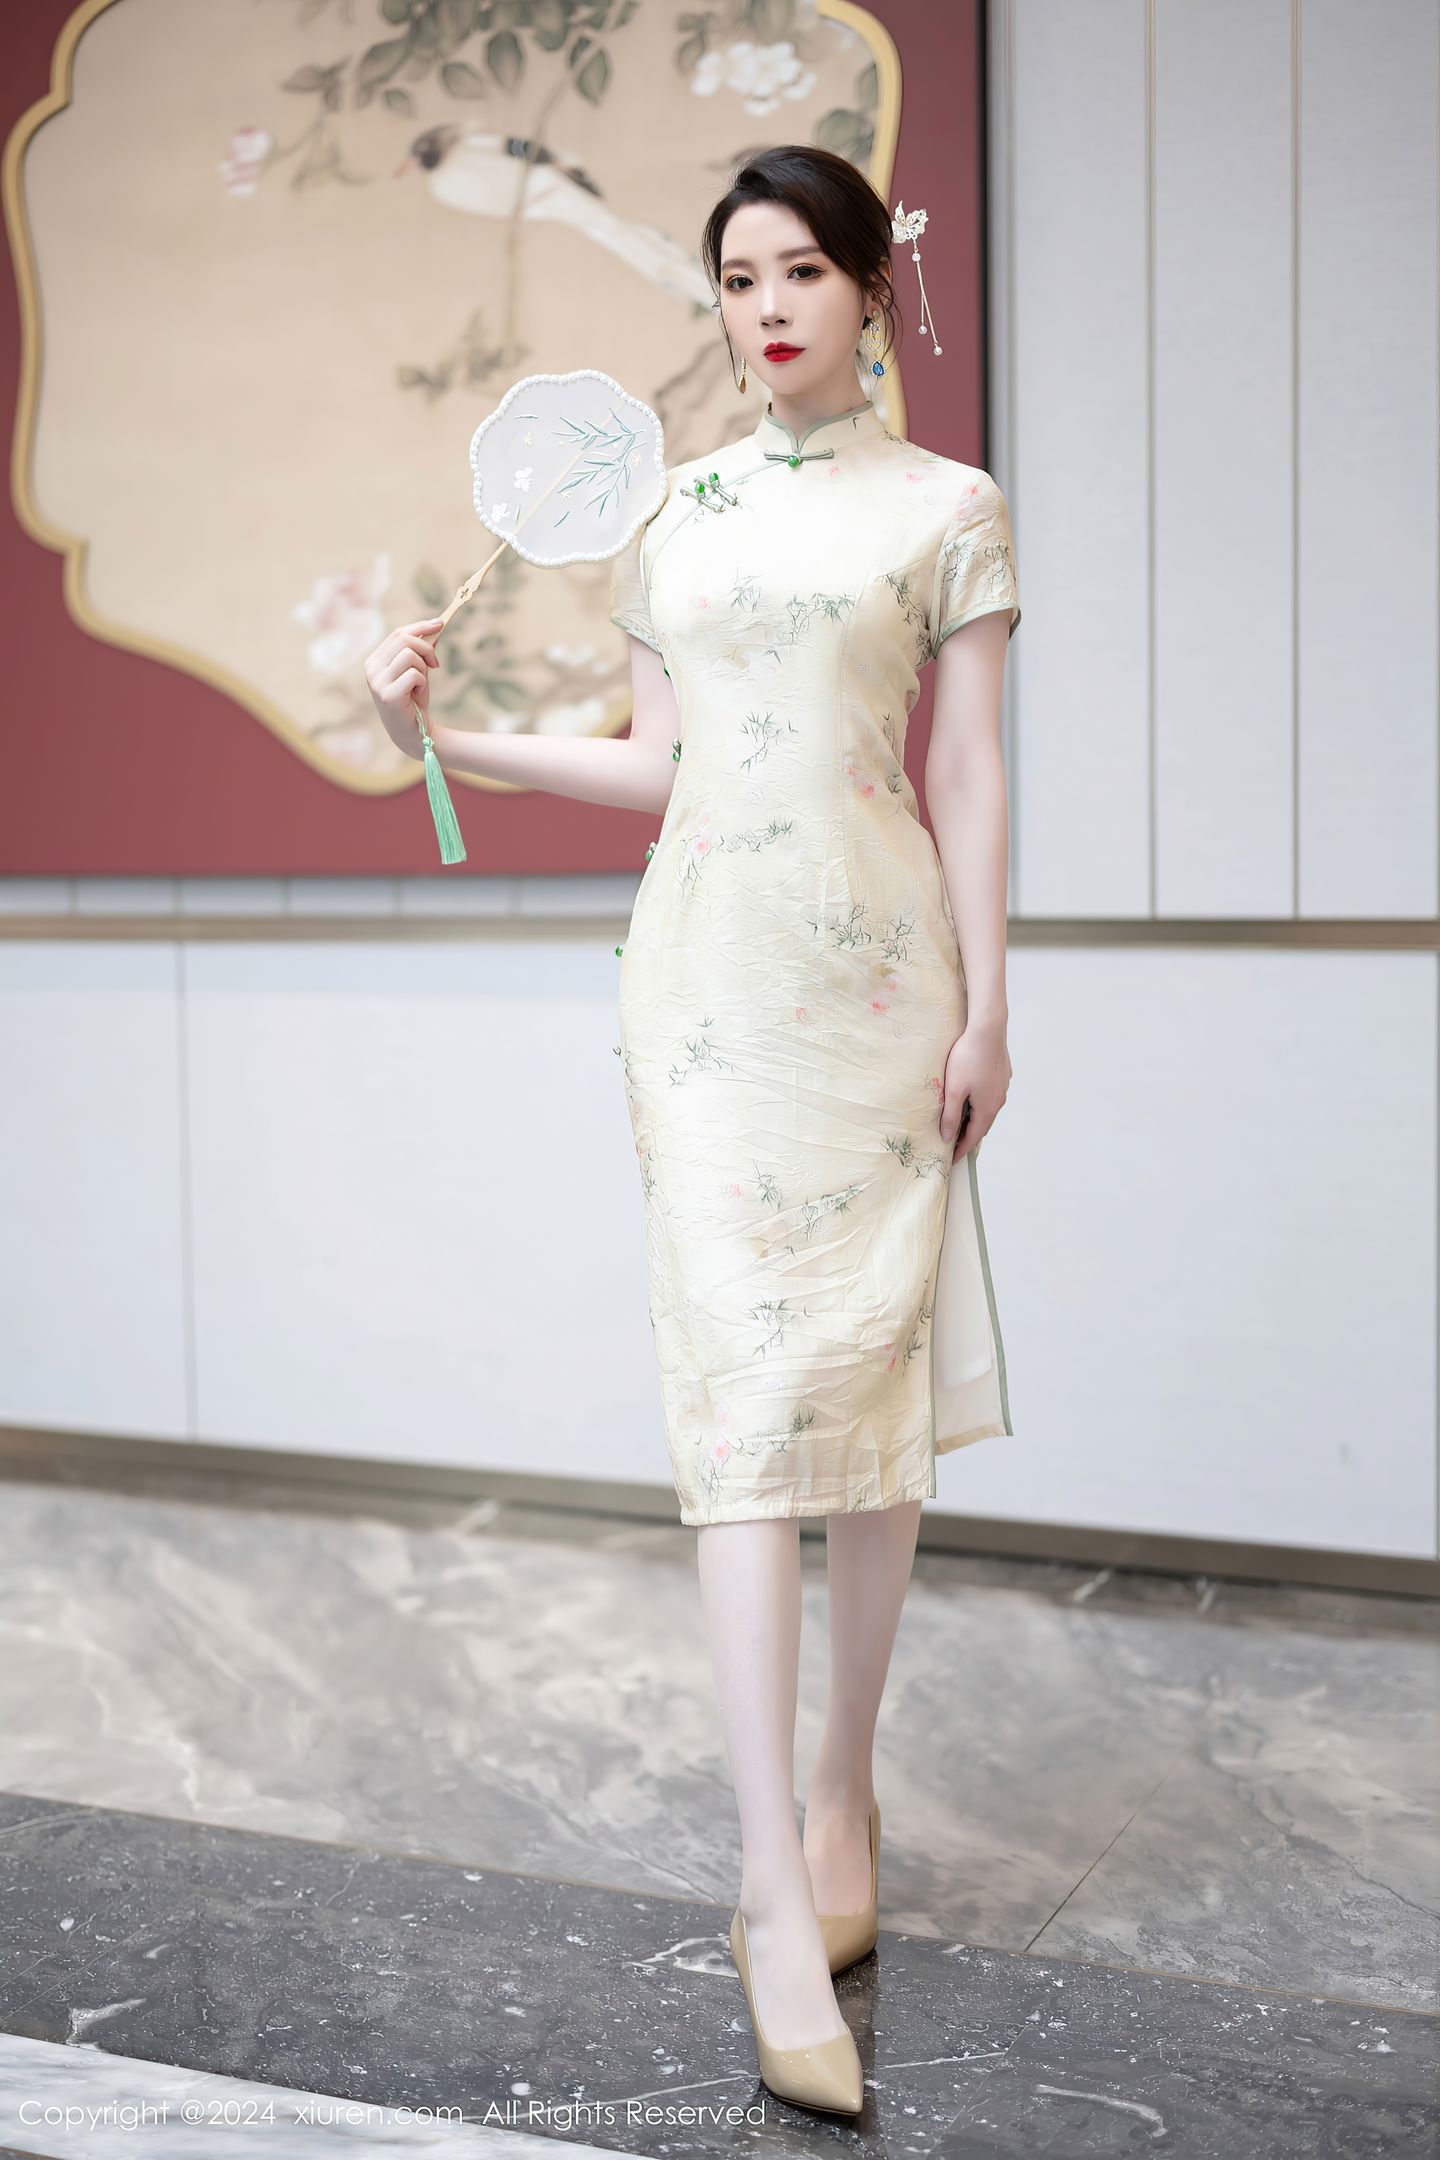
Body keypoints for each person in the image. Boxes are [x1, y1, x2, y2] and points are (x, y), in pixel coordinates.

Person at [365, 144, 1020, 2120]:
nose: (768, 306)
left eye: (803, 269)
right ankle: (765, 1885)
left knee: (870, 1383)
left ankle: (843, 1791)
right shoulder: (676, 519)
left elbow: (973, 774)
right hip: (709, 1001)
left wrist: (994, 1006)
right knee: (742, 1403)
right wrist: (435, 737)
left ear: (865, 286)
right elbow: (658, 766)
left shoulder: (951, 508)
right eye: (738, 278)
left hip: (887, 993)